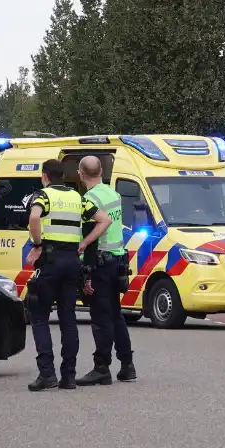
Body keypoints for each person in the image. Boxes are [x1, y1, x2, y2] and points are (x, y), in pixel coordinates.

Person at [25, 159, 111, 391]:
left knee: (40, 316)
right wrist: (84, 242)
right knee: (68, 318)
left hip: (51, 261)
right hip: (72, 262)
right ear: (63, 175)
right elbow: (104, 220)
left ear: (45, 177)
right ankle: (69, 376)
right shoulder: (77, 198)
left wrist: (37, 244)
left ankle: (47, 374)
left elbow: (34, 218)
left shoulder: (42, 195)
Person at [75, 156, 137, 386]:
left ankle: (102, 367)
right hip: (117, 262)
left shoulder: (88, 200)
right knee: (115, 315)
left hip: (100, 263)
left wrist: (86, 272)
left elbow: (92, 239)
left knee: (101, 319)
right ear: (101, 171)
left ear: (81, 174)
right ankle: (127, 364)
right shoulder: (114, 194)